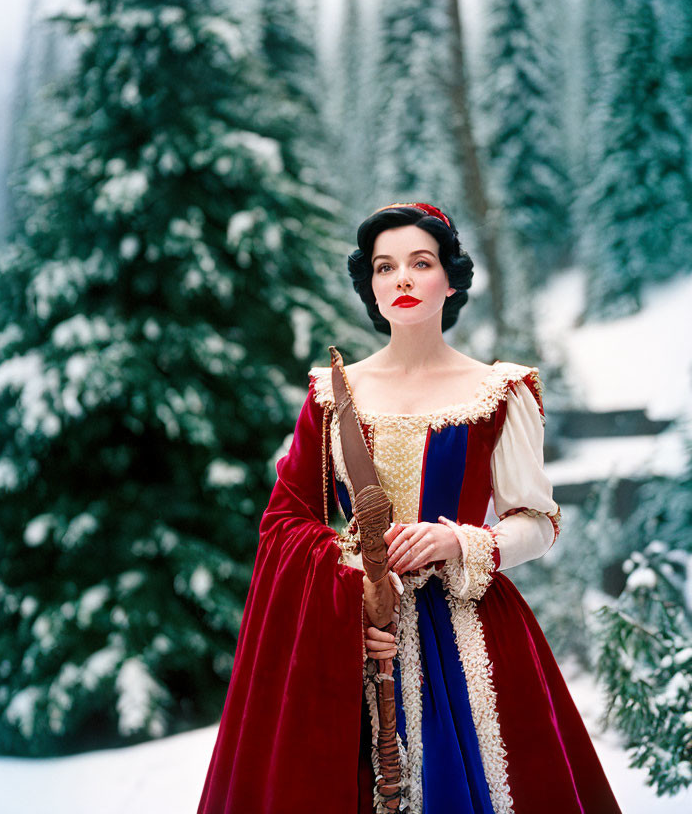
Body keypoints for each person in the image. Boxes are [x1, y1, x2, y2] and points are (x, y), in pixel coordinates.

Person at [197, 202, 622, 814]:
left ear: (450, 279)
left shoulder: (498, 392)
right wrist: (351, 589)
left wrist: (460, 542)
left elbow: (539, 522)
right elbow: (285, 521)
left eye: (420, 263)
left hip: (469, 628)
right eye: (383, 266)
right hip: (357, 633)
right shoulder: (330, 394)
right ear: (369, 285)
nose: (400, 279)